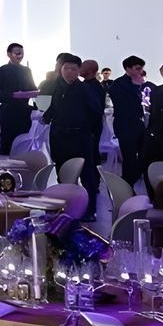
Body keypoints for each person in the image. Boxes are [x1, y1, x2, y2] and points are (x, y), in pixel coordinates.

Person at [42, 52, 104, 209]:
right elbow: (55, 106)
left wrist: (88, 130)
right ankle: (65, 206)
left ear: (78, 71)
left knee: (86, 173)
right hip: (58, 135)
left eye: (73, 69)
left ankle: (89, 210)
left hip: (79, 136)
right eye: (66, 68)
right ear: (61, 69)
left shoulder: (85, 89)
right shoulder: (58, 86)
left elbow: (96, 112)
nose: (69, 72)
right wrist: (46, 117)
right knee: (62, 171)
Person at [0, 42, 41, 149]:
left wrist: (36, 92)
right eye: (17, 53)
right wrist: (12, 95)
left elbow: (33, 88)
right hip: (8, 111)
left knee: (23, 142)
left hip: (24, 112)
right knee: (8, 142)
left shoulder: (26, 70)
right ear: (8, 54)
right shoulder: (1, 70)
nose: (20, 56)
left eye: (22, 54)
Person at [109, 56, 152, 184]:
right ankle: (127, 184)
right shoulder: (118, 84)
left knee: (145, 155)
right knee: (129, 157)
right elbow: (123, 103)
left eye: (141, 69)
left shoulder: (141, 83)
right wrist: (136, 87)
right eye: (137, 68)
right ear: (127, 69)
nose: (140, 71)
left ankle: (136, 178)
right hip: (125, 125)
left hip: (140, 124)